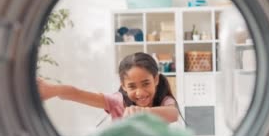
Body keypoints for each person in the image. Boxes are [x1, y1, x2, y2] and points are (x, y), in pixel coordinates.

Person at [37, 52, 180, 123]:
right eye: (131, 86)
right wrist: (54, 90)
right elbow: (78, 93)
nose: (140, 92)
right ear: (123, 86)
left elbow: (173, 114)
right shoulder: (117, 101)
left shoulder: (164, 100)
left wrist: (142, 111)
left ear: (155, 79)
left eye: (146, 83)